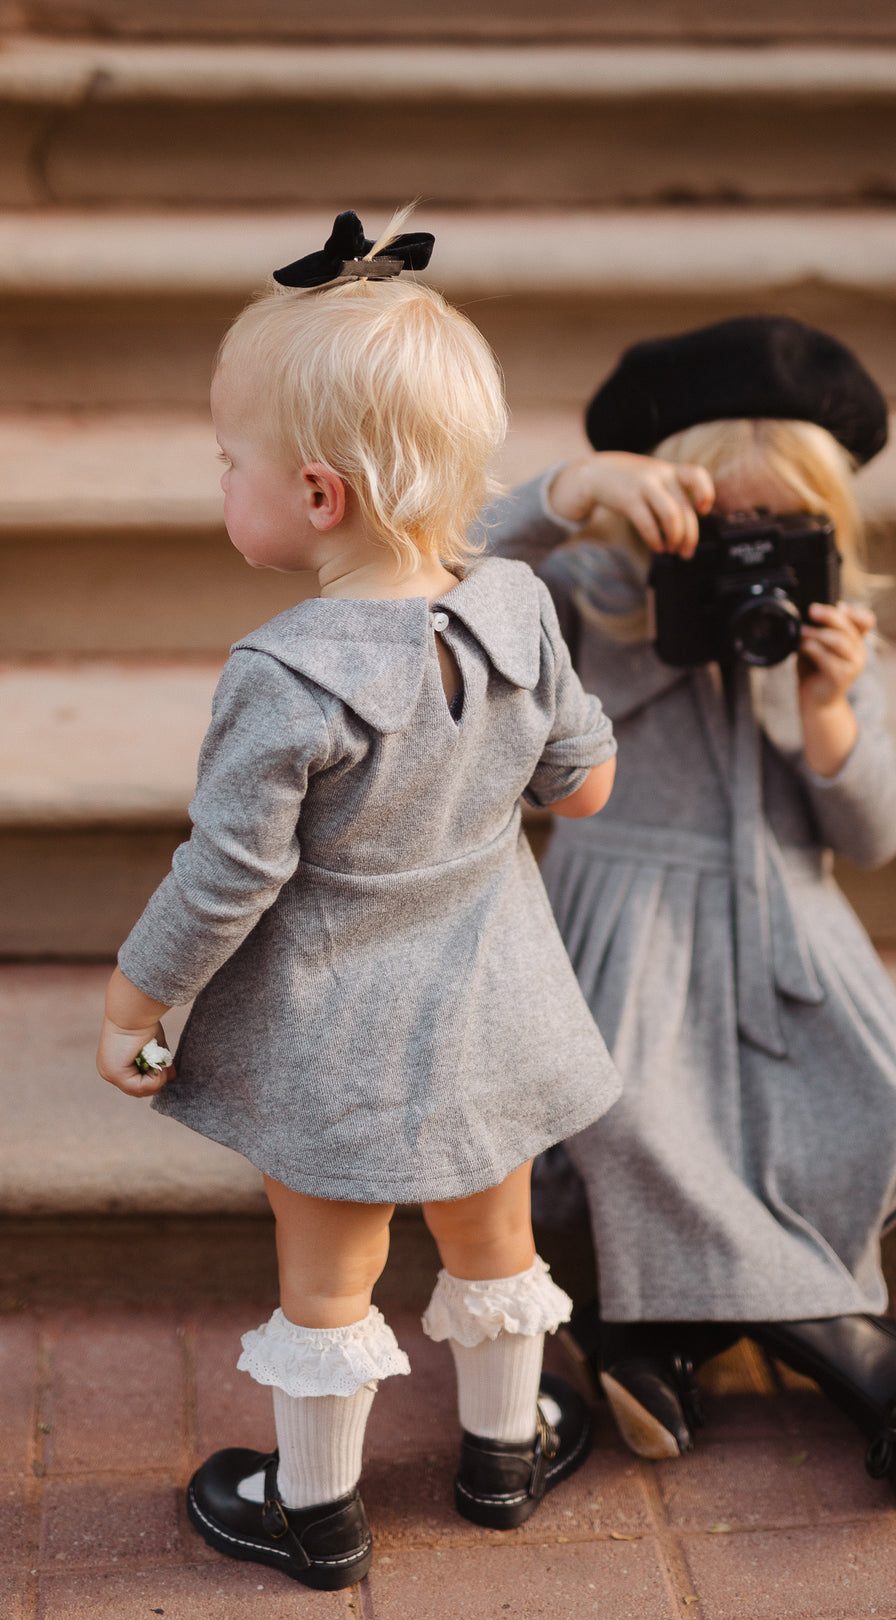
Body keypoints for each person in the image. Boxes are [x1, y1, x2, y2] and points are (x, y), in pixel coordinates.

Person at [95, 211, 621, 1591]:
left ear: (317, 497)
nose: (223, 481)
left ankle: (314, 1510)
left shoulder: (283, 673)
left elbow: (227, 875)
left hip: (344, 1049)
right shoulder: (517, 611)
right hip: (495, 1017)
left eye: (231, 463)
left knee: (330, 1275)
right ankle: (502, 1457)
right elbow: (584, 789)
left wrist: (137, 997)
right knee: (492, 1234)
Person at [480, 315, 896, 1506]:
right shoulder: (586, 605)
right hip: (626, 919)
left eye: (783, 536)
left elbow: (877, 834)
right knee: (635, 1119)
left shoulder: (826, 635)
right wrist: (570, 492)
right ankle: (852, 1351)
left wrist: (831, 718)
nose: (753, 563)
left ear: (829, 533)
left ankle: (658, 1339)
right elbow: (439, 566)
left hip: (793, 929)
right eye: (722, 531)